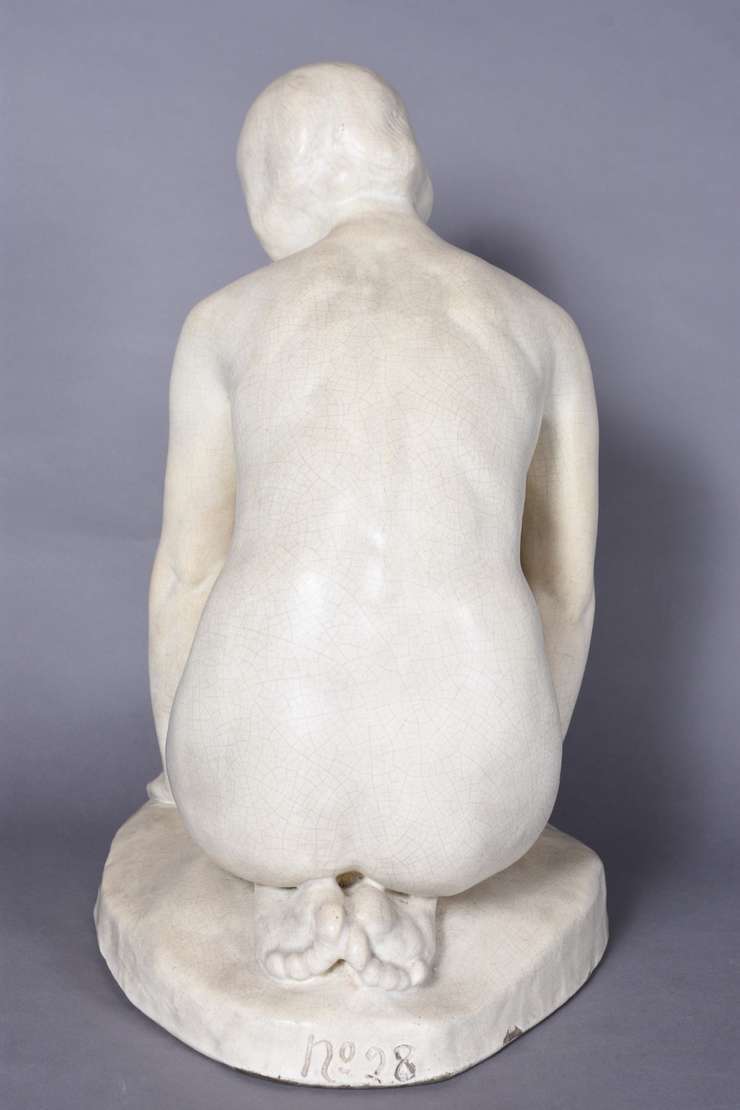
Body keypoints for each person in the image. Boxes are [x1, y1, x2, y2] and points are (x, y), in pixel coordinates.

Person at [147, 63, 598, 991]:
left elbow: (189, 572)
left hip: (253, 791)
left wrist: (184, 773)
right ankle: (414, 889)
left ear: (274, 191)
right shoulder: (542, 325)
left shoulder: (224, 320)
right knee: (456, 806)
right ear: (411, 169)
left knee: (248, 791)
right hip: (471, 811)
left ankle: (294, 887)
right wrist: (520, 765)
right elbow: (565, 588)